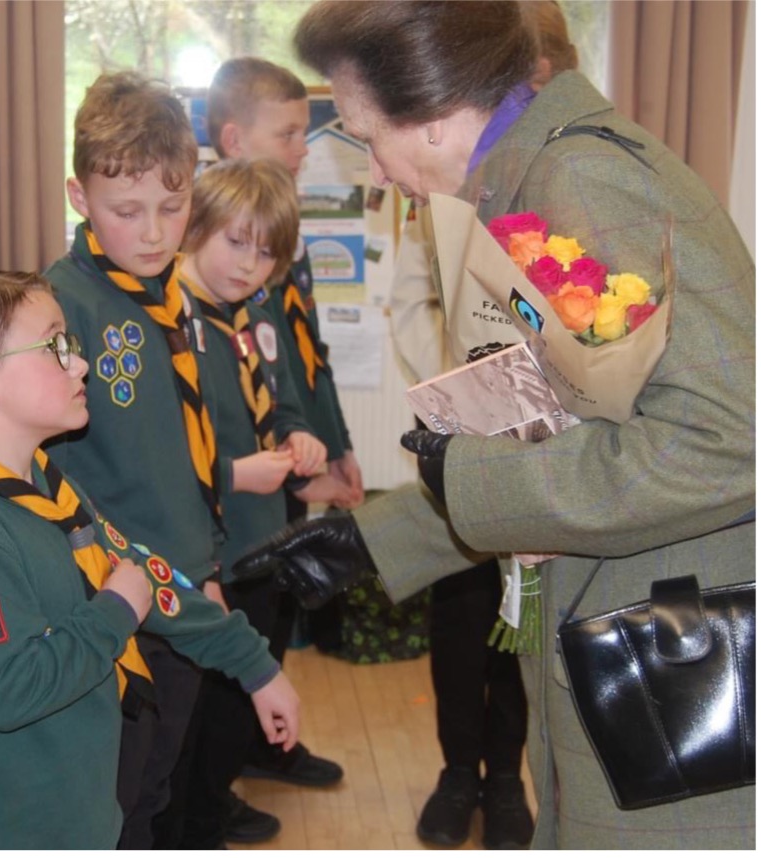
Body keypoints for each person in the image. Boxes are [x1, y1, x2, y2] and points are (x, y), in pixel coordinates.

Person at [236, 1, 756, 850]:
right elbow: (570, 438)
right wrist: (370, 541)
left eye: (367, 136)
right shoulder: (532, 180)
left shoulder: (576, 181)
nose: (373, 171)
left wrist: (471, 481)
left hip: (670, 659)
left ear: (436, 119)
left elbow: (725, 444)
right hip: (622, 638)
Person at [44, 70, 296, 850]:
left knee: (157, 793)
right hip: (111, 604)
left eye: (173, 206)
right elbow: (69, 492)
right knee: (115, 806)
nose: (154, 233)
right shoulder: (62, 310)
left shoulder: (175, 300)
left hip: (185, 590)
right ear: (78, 197)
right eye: (127, 211)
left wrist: (208, 566)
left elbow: (182, 459)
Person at [0, 271, 299, 849]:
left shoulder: (56, 492)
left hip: (85, 812)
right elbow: (5, 690)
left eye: (71, 344)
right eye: (55, 346)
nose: (78, 363)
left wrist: (255, 665)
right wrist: (112, 614)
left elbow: (152, 581)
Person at [388, 2, 576, 848]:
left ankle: (508, 777)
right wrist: (462, 389)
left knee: (526, 622)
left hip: (552, 452)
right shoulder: (445, 188)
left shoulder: (574, 179)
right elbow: (410, 300)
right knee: (463, 618)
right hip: (466, 433)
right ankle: (457, 768)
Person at [164, 157, 331, 847]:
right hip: (202, 546)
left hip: (261, 539)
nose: (250, 266)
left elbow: (282, 392)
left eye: (266, 254)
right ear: (196, 225)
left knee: (240, 703)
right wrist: (234, 473)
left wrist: (299, 434)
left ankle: (213, 807)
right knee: (195, 709)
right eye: (236, 242)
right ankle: (189, 823)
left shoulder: (253, 310)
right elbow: (159, 452)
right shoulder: (169, 318)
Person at [206, 56, 360, 790]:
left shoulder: (276, 229)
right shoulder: (219, 247)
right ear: (234, 139)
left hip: (287, 445)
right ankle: (226, 765)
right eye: (289, 132)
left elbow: (303, 356)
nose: (304, 146)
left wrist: (336, 444)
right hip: (234, 476)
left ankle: (264, 744)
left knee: (273, 605)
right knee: (240, 612)